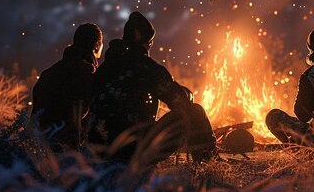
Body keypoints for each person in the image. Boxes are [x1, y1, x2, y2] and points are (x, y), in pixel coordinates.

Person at [87, 12, 216, 163]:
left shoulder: (104, 69)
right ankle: (209, 170)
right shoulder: (145, 67)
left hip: (98, 149)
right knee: (194, 112)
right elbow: (178, 99)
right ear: (146, 42)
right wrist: (188, 95)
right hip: (134, 149)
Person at [32, 23, 103, 150]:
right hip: (67, 150)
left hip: (39, 147)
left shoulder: (48, 73)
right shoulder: (88, 74)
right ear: (97, 46)